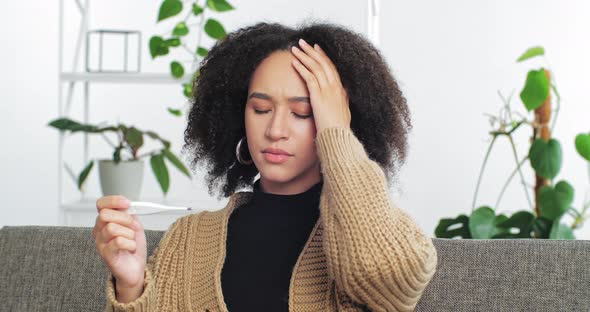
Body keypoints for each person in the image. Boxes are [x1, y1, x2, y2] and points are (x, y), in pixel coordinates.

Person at [92, 20, 438, 312]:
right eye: (260, 109)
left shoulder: (375, 239)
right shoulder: (188, 238)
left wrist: (336, 132)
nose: (274, 131)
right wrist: (131, 286)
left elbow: (385, 276)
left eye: (303, 113)